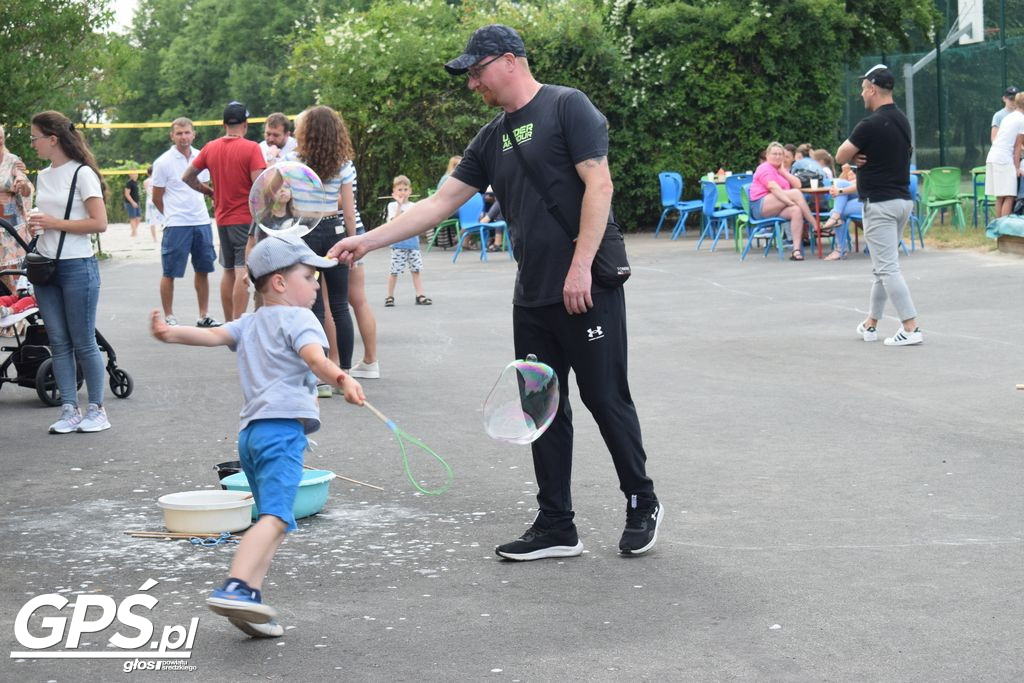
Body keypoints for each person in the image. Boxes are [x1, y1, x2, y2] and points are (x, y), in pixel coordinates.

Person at [329, 24, 663, 560]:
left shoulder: (567, 107)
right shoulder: (491, 139)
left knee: (605, 397)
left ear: (510, 61)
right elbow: (438, 204)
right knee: (542, 409)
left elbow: (599, 186)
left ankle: (641, 501)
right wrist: (365, 241)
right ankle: (557, 524)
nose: (472, 84)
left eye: (477, 72)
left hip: (585, 288)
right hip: (531, 296)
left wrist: (579, 268)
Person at [150, 233, 365, 638]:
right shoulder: (301, 319)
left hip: (250, 437)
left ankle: (250, 598)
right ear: (281, 283)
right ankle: (237, 586)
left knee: (274, 522)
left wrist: (171, 333)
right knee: (275, 519)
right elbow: (315, 359)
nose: (317, 284)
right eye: (309, 276)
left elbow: (212, 335)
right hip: (281, 434)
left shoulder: (251, 322)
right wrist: (341, 378)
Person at [27, 110, 111, 433]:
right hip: (46, 266)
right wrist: (38, 224)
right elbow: (46, 220)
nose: (33, 143)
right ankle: (68, 409)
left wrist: (54, 223)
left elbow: (99, 223)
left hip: (78, 265)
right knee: (59, 342)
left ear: (53, 139)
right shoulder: (43, 175)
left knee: (83, 340)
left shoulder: (82, 174)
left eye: (36, 138)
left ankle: (97, 409)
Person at [286, 105, 379, 390]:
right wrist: (353, 243)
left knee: (312, 306)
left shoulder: (292, 161)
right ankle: (345, 373)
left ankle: (320, 375)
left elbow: (285, 204)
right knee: (340, 306)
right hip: (335, 231)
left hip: (305, 233)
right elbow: (349, 211)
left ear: (305, 132)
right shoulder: (343, 163)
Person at [836, 65, 922, 347]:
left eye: (863, 89)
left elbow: (840, 156)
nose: (861, 94)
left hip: (880, 204)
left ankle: (910, 327)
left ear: (872, 89)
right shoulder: (902, 120)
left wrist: (856, 153)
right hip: (901, 202)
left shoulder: (869, 124)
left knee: (887, 269)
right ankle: (871, 324)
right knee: (882, 268)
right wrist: (862, 153)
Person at [183, 101, 266, 322]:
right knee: (242, 270)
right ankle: (238, 324)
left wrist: (210, 192)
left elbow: (187, 177)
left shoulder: (210, 147)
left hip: (222, 217)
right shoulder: (252, 148)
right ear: (246, 124)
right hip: (246, 220)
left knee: (228, 270)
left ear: (223, 124)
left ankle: (229, 323)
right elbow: (260, 188)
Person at [152, 117, 221, 327]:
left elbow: (205, 187)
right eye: (179, 133)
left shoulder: (202, 157)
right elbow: (157, 197)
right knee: (170, 272)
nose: (183, 137)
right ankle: (170, 316)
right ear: (172, 136)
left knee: (203, 270)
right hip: (176, 224)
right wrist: (170, 216)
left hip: (201, 221)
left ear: (194, 134)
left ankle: (203, 315)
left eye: (187, 132)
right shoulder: (163, 162)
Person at [749, 141, 818, 260]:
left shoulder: (780, 170)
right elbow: (773, 187)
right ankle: (815, 224)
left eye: (780, 154)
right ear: (767, 156)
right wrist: (789, 202)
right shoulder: (764, 168)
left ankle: (796, 250)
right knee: (796, 195)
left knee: (796, 210)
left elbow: (798, 184)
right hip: (760, 206)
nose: (778, 157)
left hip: (775, 206)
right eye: (774, 154)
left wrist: (783, 172)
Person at [384, 175, 430, 307]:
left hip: (413, 243)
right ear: (394, 192)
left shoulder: (414, 206)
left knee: (416, 270)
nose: (403, 192)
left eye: (405, 189)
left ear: (410, 191)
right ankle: (390, 296)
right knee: (394, 271)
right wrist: (399, 205)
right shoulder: (392, 206)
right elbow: (394, 223)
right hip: (398, 244)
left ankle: (419, 295)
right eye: (399, 189)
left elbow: (417, 223)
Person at [0, 123, 33, 296]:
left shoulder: (12, 160)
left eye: (1, 136)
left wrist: (22, 184)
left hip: (10, 228)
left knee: (12, 279)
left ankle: (16, 315)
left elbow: (25, 186)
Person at [985, 91, 1024, 219]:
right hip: (1003, 159)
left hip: (992, 156)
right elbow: (1017, 146)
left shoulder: (1008, 117)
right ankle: (1003, 231)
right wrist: (1017, 168)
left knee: (1000, 196)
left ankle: (999, 233)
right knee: (1009, 195)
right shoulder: (1022, 119)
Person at [821, 163, 861, 260]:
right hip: (863, 196)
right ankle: (835, 216)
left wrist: (839, 191)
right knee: (841, 183)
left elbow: (864, 184)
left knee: (836, 212)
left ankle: (840, 249)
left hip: (875, 200)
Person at [142, 165, 161, 242]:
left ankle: (154, 238)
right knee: (165, 218)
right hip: (158, 200)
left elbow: (147, 191)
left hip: (150, 201)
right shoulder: (158, 179)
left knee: (152, 221)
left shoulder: (146, 181)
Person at [124, 171, 141, 237]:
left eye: (136, 173)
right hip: (130, 203)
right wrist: (132, 202)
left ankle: (133, 231)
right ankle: (134, 233)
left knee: (138, 218)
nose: (136, 175)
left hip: (137, 202)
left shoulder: (136, 182)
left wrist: (136, 202)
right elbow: (127, 194)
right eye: (134, 174)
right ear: (130, 175)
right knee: (133, 218)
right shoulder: (129, 183)